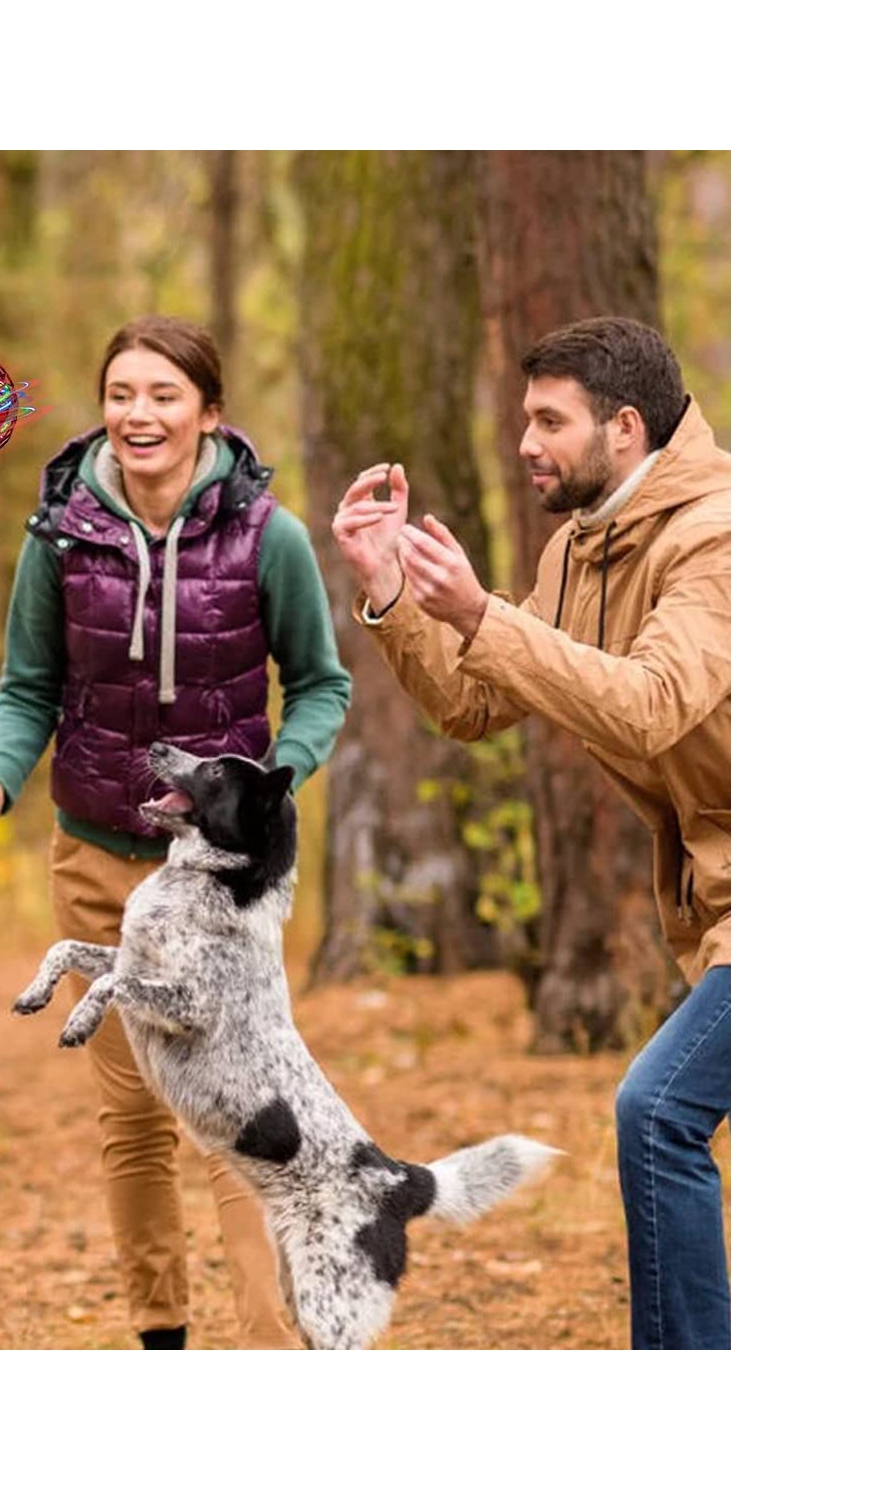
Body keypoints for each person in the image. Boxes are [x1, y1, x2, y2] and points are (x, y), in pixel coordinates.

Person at [0, 316, 352, 1349]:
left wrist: (274, 783)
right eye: (121, 394)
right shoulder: (60, 535)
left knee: (230, 1116)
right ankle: (160, 1342)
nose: (139, 414)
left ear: (209, 413)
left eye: (164, 395)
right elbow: (27, 687)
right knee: (131, 1119)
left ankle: (270, 1349)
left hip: (218, 879)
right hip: (94, 855)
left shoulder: (270, 537)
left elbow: (320, 685)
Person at [331, 315, 730, 1350]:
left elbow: (651, 705)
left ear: (625, 428)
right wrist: (389, 588)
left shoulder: (723, 538)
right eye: (526, 419)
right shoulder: (580, 549)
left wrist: (482, 615)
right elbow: (476, 704)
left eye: (551, 421)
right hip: (719, 896)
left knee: (659, 1112)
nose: (525, 443)